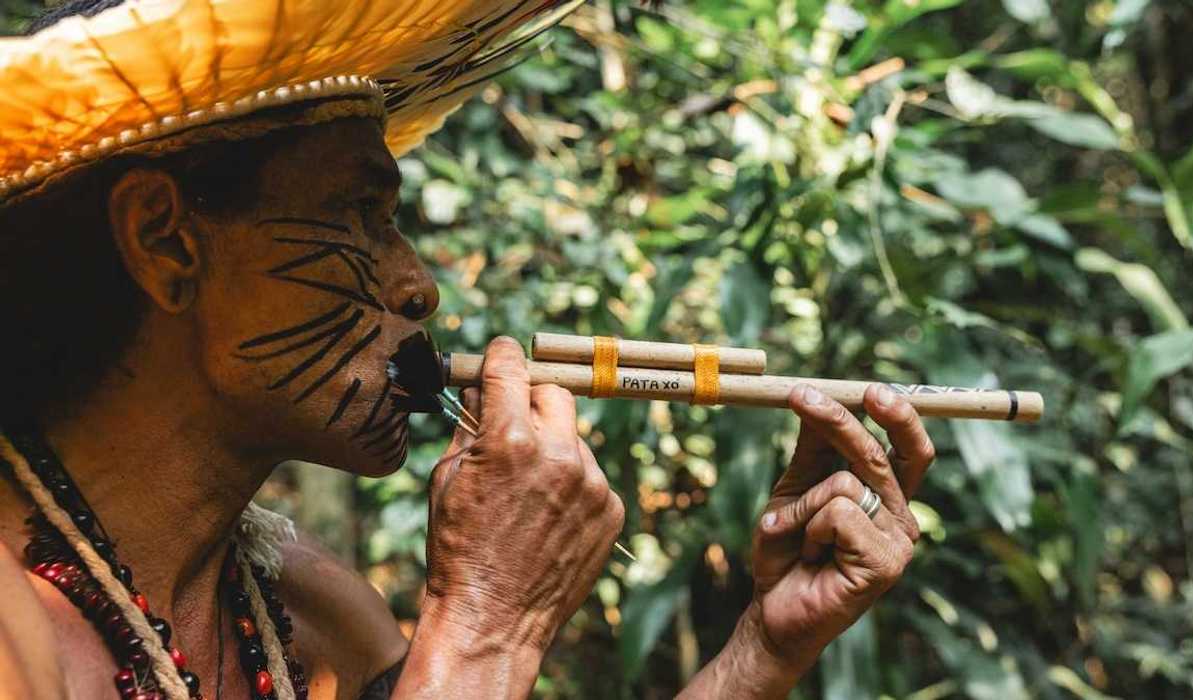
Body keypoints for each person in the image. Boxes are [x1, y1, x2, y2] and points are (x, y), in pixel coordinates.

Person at [0, 1, 937, 698]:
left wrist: (760, 654)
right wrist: (486, 622)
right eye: (359, 217)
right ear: (166, 240)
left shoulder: (305, 609)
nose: (417, 286)